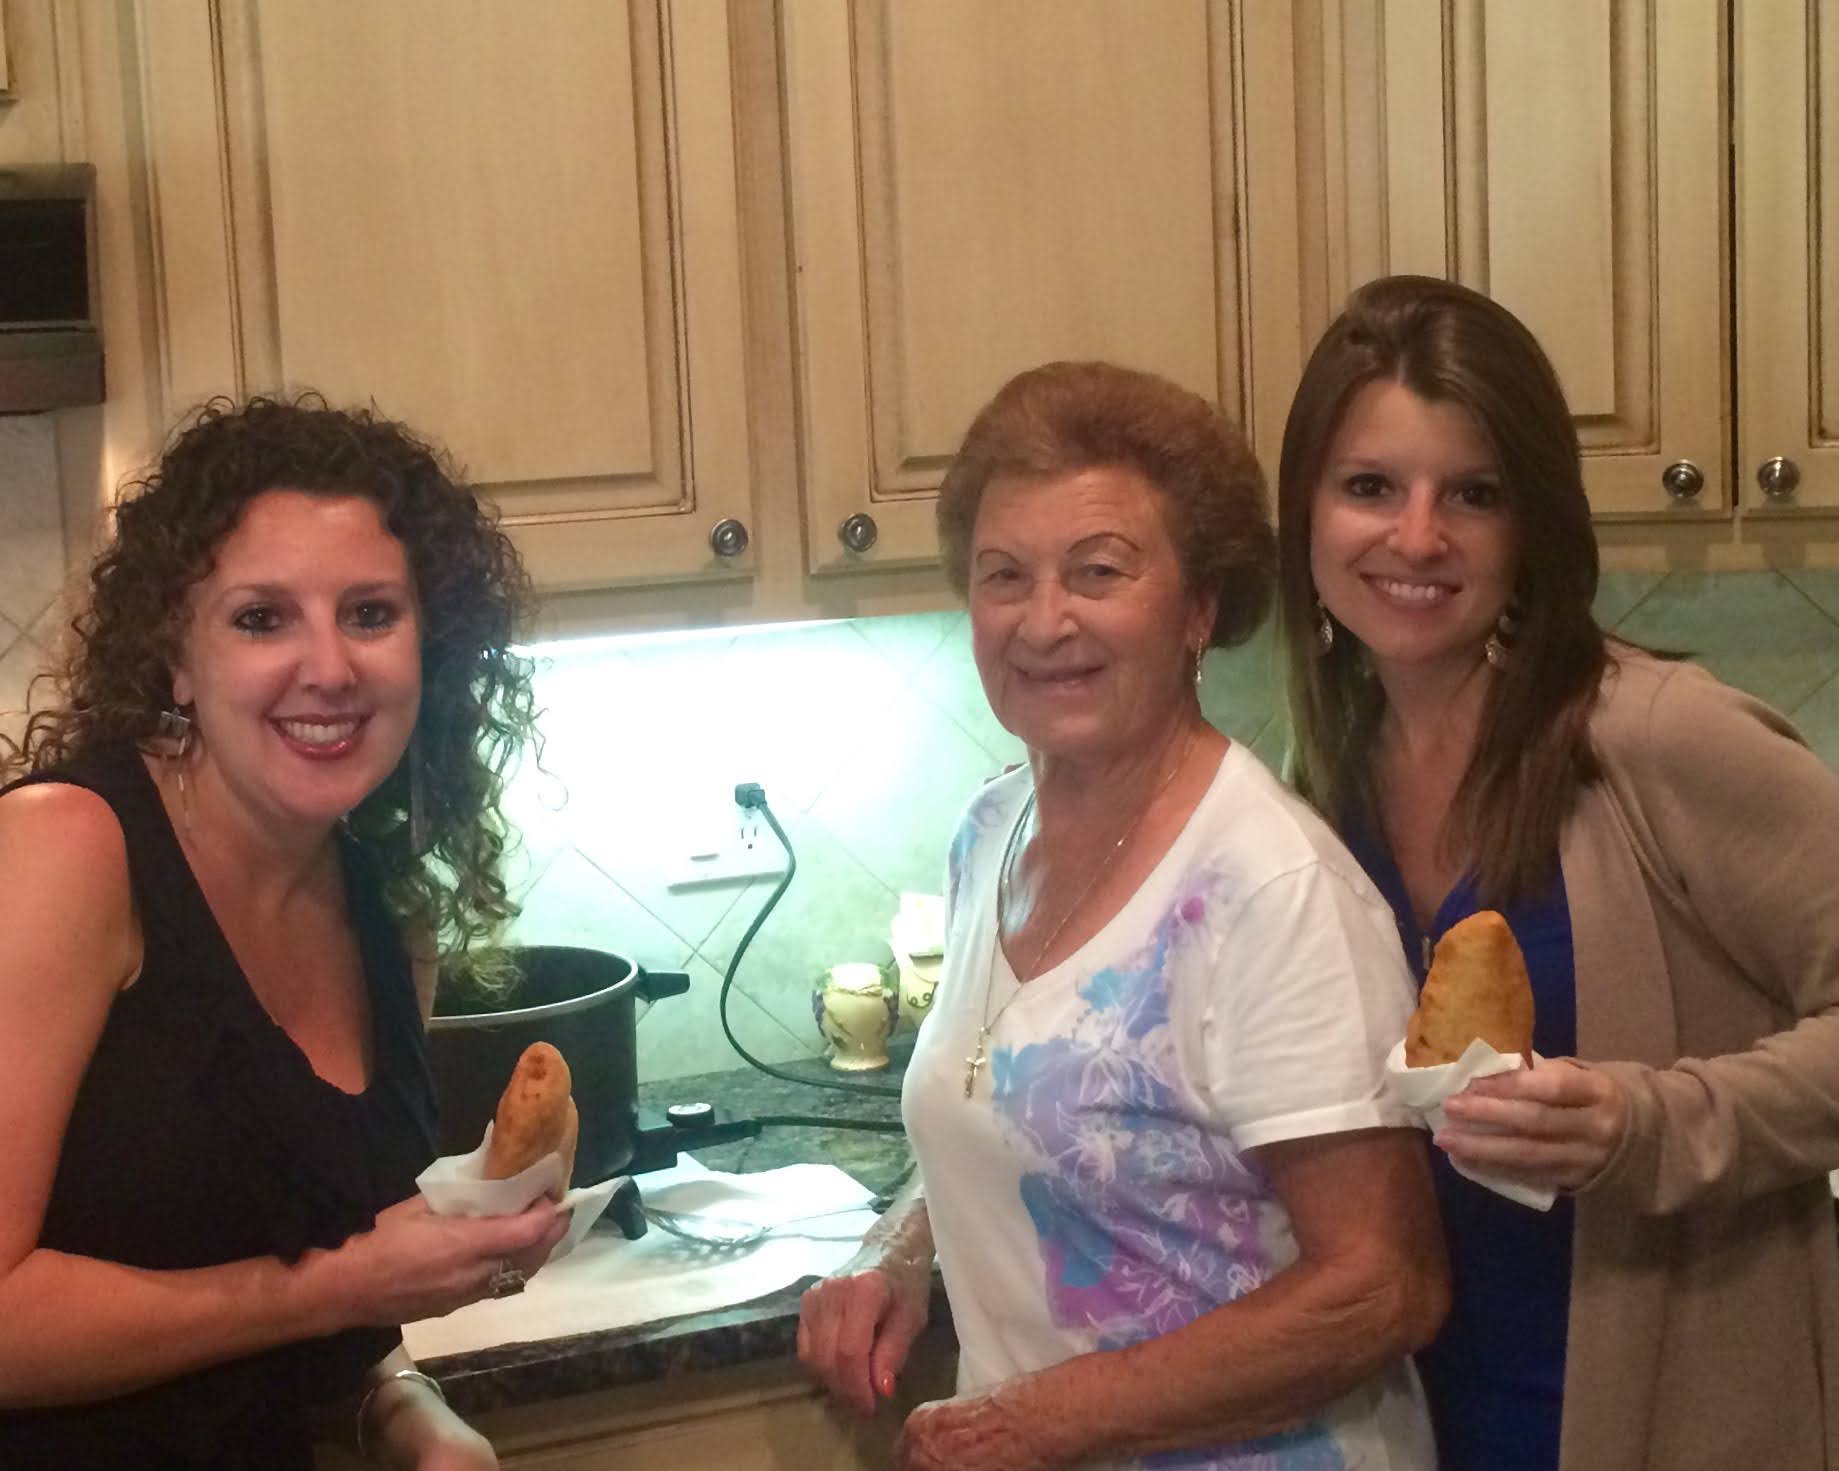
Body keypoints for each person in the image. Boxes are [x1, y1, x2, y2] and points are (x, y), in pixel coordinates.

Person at [798, 360, 1450, 1470]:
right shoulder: (990, 833)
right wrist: (906, 1247)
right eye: (1005, 574)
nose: (1045, 619)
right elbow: (1019, 1098)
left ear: (1198, 607)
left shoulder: (1268, 890)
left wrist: (1031, 1424)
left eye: (1098, 571)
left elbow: (1384, 1287)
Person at [1275, 273, 1839, 1471]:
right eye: (1370, 486)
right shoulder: (1320, 785)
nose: (1417, 537)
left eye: (1472, 494)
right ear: (1307, 514)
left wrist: (1647, 1122)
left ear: (1531, 522)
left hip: (1657, 1410)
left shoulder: (1655, 738)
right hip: (1413, 1411)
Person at [0, 396, 570, 1470]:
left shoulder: (391, 915)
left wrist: (407, 1414)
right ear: (177, 654)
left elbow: (322, 1336)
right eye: (262, 618)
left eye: (370, 613)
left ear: (427, 647)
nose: (330, 666)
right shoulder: (70, 850)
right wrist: (335, 1288)